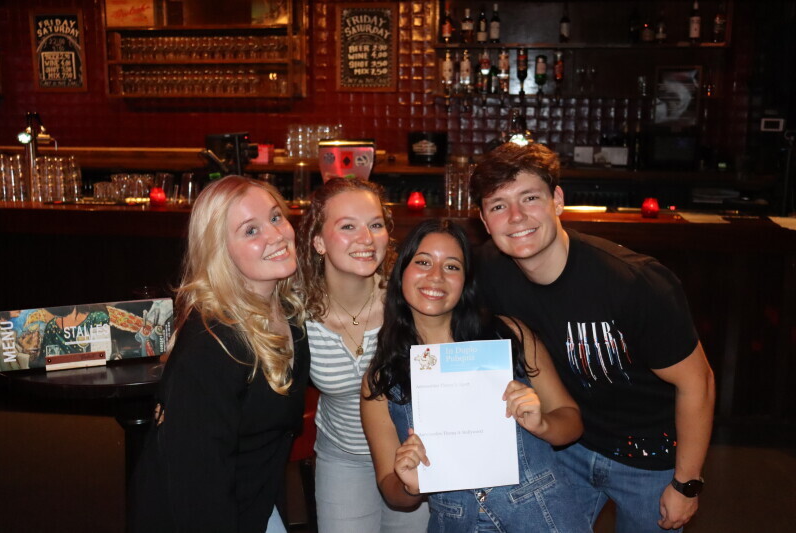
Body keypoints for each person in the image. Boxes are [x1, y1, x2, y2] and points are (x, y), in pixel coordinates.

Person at [470, 142, 716, 532]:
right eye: (498, 205)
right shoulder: (488, 270)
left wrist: (686, 483)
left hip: (648, 455)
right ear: (485, 221)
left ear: (557, 200)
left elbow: (697, 382)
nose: (516, 217)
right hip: (565, 448)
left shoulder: (635, 283)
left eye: (530, 198)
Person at [361, 219, 591, 533]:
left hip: (544, 516)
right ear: (401, 272)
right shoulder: (383, 376)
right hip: (455, 522)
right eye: (423, 262)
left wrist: (543, 424)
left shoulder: (510, 335)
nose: (436, 276)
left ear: (466, 281)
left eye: (452, 266)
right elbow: (391, 488)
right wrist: (410, 484)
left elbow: (572, 422)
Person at [129, 176, 309, 533]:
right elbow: (197, 491)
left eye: (276, 217)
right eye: (250, 230)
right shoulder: (212, 345)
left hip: (254, 501)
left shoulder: (288, 311)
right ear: (219, 250)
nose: (275, 235)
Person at [296, 178, 429, 532]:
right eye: (348, 226)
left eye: (375, 225)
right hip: (343, 459)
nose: (366, 239)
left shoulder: (411, 300)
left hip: (414, 453)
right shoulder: (295, 310)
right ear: (318, 241)